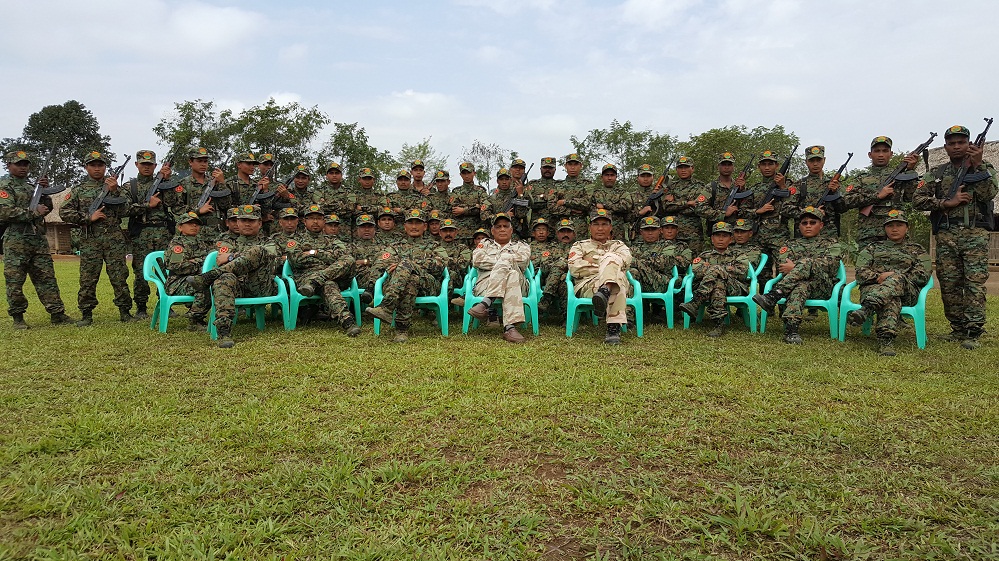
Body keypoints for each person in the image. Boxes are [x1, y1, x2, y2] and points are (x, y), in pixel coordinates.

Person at [913, 124, 998, 349]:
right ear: (946, 147)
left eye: (961, 142)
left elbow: (989, 194)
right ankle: (957, 328)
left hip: (974, 234)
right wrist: (945, 203)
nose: (957, 146)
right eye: (952, 143)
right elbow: (917, 199)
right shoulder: (937, 173)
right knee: (949, 284)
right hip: (946, 234)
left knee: (974, 283)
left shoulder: (985, 168)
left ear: (970, 144)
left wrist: (978, 165)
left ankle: (973, 331)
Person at [184, 204, 279, 348]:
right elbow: (217, 259)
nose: (247, 224)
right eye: (243, 220)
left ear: (260, 223)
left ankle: (209, 276)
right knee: (224, 279)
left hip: (260, 286)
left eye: (251, 221)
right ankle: (224, 331)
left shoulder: (268, 243)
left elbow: (273, 259)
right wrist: (231, 257)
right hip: (237, 288)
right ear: (237, 222)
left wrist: (231, 257)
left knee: (258, 251)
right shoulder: (226, 243)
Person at [59, 151, 134, 326]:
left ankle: (125, 311)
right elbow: (64, 212)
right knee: (88, 277)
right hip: (90, 240)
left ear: (105, 167)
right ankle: (86, 313)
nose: (97, 168)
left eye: (100, 165)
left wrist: (115, 192)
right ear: (86, 167)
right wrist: (87, 218)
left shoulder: (116, 188)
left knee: (119, 275)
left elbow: (127, 210)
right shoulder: (78, 190)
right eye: (93, 165)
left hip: (113, 239)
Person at [0, 150, 73, 328]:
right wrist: (33, 212)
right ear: (9, 165)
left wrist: (44, 192)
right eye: (18, 164)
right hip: (16, 239)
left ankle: (57, 313)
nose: (23, 167)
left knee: (46, 277)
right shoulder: (5, 186)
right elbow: (5, 211)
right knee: (15, 279)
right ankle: (18, 317)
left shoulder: (32, 187)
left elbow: (47, 208)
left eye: (25, 164)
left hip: (37, 239)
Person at [753, 207, 844, 344]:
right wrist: (805, 268)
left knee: (806, 263)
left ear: (821, 225)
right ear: (799, 226)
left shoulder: (831, 244)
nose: (808, 226)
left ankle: (775, 294)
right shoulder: (790, 244)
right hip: (797, 286)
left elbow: (831, 266)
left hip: (824, 287)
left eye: (812, 222)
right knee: (801, 285)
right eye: (804, 223)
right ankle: (791, 330)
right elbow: (783, 266)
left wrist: (798, 266)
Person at [847, 210, 931, 356]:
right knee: (891, 298)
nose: (894, 229)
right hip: (873, 289)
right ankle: (886, 341)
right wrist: (879, 277)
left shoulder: (917, 250)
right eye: (890, 225)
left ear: (907, 227)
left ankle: (866, 309)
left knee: (897, 279)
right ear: (884, 228)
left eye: (899, 225)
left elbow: (923, 275)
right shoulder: (872, 248)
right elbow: (861, 272)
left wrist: (894, 276)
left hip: (907, 292)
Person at [364, 209, 449, 343]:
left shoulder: (434, 246)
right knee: (411, 280)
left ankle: (387, 307)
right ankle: (401, 330)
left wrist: (409, 264)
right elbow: (381, 263)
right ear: (404, 226)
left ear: (425, 226)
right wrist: (407, 268)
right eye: (410, 223)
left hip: (428, 285)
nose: (414, 227)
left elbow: (441, 264)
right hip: (401, 284)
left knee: (406, 265)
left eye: (418, 223)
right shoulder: (395, 247)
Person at [287, 205, 361, 335]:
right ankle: (347, 321)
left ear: (324, 221)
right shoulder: (296, 240)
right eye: (311, 218)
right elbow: (296, 261)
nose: (315, 222)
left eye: (319, 218)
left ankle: (317, 280)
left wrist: (315, 253)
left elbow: (345, 256)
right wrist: (328, 257)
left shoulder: (333, 240)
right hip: (307, 277)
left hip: (331, 278)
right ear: (304, 221)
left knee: (348, 259)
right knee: (328, 284)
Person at [567, 209, 633, 344]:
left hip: (609, 286)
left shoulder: (619, 246)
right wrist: (607, 266)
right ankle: (613, 328)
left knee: (616, 281)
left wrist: (594, 261)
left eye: (604, 224)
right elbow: (575, 268)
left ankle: (605, 290)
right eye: (596, 224)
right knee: (616, 278)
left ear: (611, 227)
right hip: (588, 285)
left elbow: (626, 262)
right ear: (589, 227)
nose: (600, 228)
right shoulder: (579, 246)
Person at [842, 136, 919, 247]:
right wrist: (877, 196)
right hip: (869, 234)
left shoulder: (901, 175)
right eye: (877, 151)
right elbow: (846, 201)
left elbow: (912, 198)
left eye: (885, 151)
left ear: (891, 154)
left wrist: (911, 171)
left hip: (896, 233)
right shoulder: (861, 178)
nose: (881, 155)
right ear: (870, 154)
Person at [678, 221, 752, 337]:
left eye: (724, 236)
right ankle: (719, 323)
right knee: (718, 283)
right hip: (714, 288)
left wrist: (716, 269)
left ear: (731, 239)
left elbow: (742, 273)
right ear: (712, 238)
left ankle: (696, 302)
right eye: (718, 235)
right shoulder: (704, 255)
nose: (721, 239)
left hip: (734, 287)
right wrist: (727, 269)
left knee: (716, 270)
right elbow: (696, 272)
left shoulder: (738, 255)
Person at [467, 213, 532, 343]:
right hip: (486, 284)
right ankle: (510, 328)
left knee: (510, 267)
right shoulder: (484, 244)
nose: (502, 229)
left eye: (506, 226)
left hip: (520, 286)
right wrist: (506, 260)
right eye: (498, 226)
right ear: (492, 230)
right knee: (511, 274)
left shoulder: (521, 245)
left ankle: (486, 303)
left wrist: (501, 260)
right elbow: (477, 260)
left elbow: (523, 261)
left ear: (511, 230)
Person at [124, 150, 173, 320]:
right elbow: (124, 209)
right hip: (141, 233)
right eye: (143, 164)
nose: (147, 167)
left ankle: (167, 303)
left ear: (155, 165)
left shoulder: (164, 184)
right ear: (137, 165)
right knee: (140, 272)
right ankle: (141, 307)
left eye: (150, 164)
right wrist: (147, 205)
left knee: (166, 269)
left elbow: (176, 202)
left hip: (163, 232)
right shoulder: (130, 187)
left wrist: (167, 181)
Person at [749, 150, 797, 284]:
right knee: (763, 274)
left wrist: (782, 186)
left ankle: (782, 302)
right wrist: (758, 211)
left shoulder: (788, 184)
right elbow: (743, 211)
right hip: (759, 236)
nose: (767, 167)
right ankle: (764, 302)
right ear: (759, 167)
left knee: (784, 270)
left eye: (770, 164)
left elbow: (795, 202)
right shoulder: (755, 188)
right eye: (764, 164)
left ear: (777, 165)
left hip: (780, 235)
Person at [161, 211, 213, 331]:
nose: (194, 226)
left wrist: (197, 261)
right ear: (180, 227)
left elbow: (211, 259)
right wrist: (200, 263)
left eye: (196, 224)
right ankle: (195, 321)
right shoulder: (177, 244)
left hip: (196, 278)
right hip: (177, 282)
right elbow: (177, 266)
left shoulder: (201, 243)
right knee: (203, 285)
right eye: (189, 223)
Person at [791, 145, 846, 238]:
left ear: (824, 160)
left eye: (818, 160)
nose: (815, 164)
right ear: (806, 162)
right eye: (811, 161)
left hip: (829, 235)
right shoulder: (799, 184)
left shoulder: (835, 183)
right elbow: (786, 208)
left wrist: (835, 192)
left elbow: (843, 208)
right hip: (804, 236)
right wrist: (809, 212)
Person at [660, 156, 708, 252]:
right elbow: (667, 207)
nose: (683, 170)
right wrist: (688, 203)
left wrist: (676, 205)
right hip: (672, 231)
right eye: (680, 167)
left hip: (694, 233)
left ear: (692, 168)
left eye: (686, 167)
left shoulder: (701, 186)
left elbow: (699, 207)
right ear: (677, 169)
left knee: (693, 262)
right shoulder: (671, 187)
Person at [699, 152, 751, 225]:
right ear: (718, 167)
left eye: (729, 164)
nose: (726, 167)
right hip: (718, 230)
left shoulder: (739, 186)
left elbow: (748, 207)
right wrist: (722, 214)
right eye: (723, 164)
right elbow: (699, 207)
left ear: (733, 167)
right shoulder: (711, 187)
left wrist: (742, 189)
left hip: (737, 230)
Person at [589, 164, 636, 241]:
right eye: (607, 175)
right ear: (602, 177)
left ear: (616, 177)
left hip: (618, 233)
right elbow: (591, 209)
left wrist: (605, 206)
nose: (609, 178)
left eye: (612, 175)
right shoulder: (595, 194)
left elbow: (626, 206)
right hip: (599, 231)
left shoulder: (623, 193)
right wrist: (616, 209)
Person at [548, 153, 590, 234]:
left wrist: (564, 202)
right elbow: (551, 207)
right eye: (570, 164)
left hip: (580, 229)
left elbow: (587, 203)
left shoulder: (587, 184)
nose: (573, 167)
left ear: (580, 166)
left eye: (576, 164)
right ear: (565, 166)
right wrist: (571, 210)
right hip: (561, 227)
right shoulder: (557, 185)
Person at [450, 162, 487, 244]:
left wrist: (464, 210)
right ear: (460, 175)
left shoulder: (480, 191)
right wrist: (475, 206)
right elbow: (455, 210)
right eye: (464, 173)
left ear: (474, 173)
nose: (466, 176)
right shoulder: (456, 191)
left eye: (469, 173)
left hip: (477, 233)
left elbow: (483, 208)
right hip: (460, 234)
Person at [440, 218, 472, 303]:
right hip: (437, 276)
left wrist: (443, 262)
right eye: (445, 231)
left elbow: (462, 265)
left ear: (456, 232)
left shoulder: (462, 248)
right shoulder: (434, 247)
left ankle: (444, 304)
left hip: (457, 278)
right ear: (440, 233)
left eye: (451, 231)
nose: (448, 234)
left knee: (451, 274)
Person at [525, 156, 558, 224]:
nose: (547, 170)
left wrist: (540, 199)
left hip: (555, 227)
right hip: (536, 227)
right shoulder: (532, 184)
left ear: (555, 169)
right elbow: (528, 202)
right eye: (545, 168)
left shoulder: (560, 185)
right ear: (540, 169)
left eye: (550, 168)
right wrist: (549, 198)